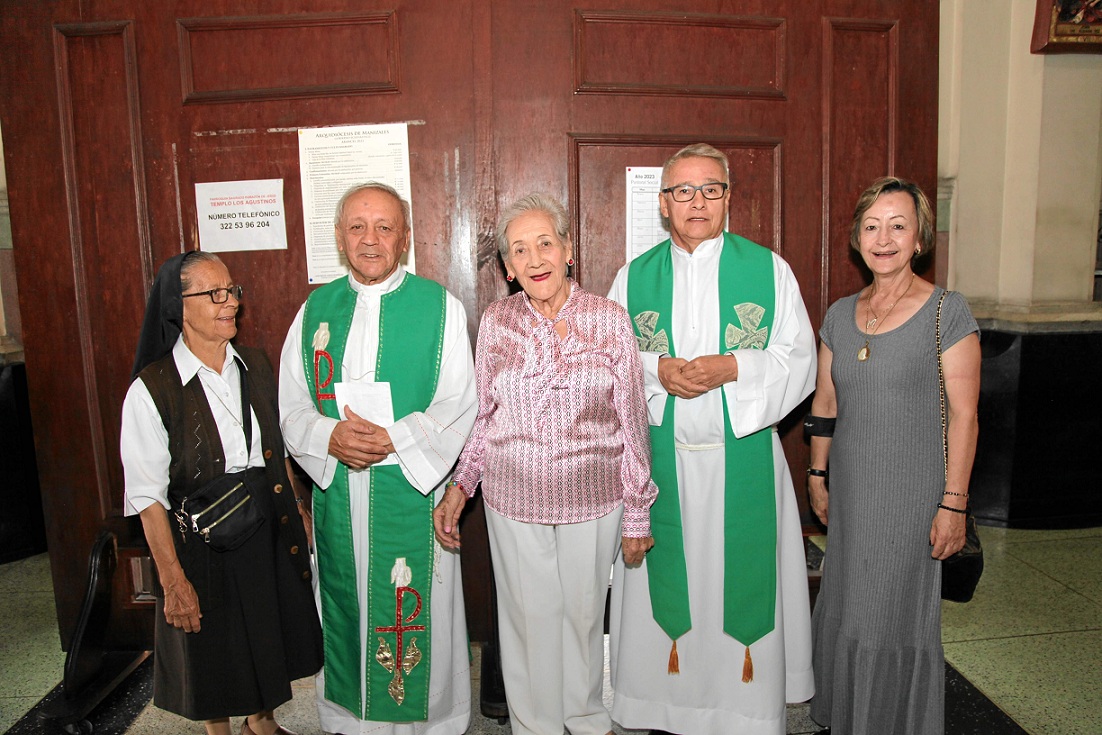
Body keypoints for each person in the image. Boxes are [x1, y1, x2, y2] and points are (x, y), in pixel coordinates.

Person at [607, 143, 817, 735]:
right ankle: (659, 705)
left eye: (710, 189)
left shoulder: (768, 270)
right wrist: (658, 371)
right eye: (682, 191)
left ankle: (742, 710)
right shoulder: (633, 277)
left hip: (742, 460)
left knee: (736, 585)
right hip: (659, 467)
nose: (696, 202)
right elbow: (612, 362)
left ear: (728, 197)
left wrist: (732, 368)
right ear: (663, 203)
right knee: (665, 592)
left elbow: (798, 359)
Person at [433, 193, 657, 735]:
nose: (535, 260)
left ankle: (584, 719)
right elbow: (484, 416)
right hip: (513, 498)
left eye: (545, 244)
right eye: (519, 250)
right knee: (527, 622)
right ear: (508, 268)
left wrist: (637, 512)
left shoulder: (609, 320)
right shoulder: (496, 322)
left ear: (567, 250)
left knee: (582, 619)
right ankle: (534, 726)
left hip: (593, 499)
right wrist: (461, 486)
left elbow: (632, 422)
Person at [278, 182, 476, 735]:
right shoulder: (315, 309)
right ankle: (352, 723)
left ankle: (427, 725)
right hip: (339, 489)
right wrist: (328, 436)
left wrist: (396, 440)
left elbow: (460, 403)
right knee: (346, 608)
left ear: (405, 238)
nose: (371, 240)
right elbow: (292, 403)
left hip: (410, 490)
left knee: (410, 615)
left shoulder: (440, 308)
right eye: (358, 227)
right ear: (340, 237)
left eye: (385, 227)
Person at [121, 251, 323, 735]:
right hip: (201, 540)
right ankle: (221, 732)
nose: (229, 301)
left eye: (231, 290)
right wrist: (172, 581)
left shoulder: (253, 364)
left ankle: (263, 723)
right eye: (212, 293)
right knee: (215, 647)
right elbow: (148, 499)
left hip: (265, 525)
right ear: (178, 306)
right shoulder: (152, 390)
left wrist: (298, 507)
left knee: (265, 633)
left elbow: (274, 450)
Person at [807, 177, 980, 735]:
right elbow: (826, 402)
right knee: (848, 601)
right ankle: (847, 715)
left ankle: (890, 721)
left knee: (888, 610)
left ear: (920, 237)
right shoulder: (838, 313)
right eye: (872, 226)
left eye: (898, 226)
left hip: (912, 494)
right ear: (857, 238)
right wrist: (816, 475)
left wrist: (953, 504)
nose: (884, 238)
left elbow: (966, 416)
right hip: (852, 488)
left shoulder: (946, 312)